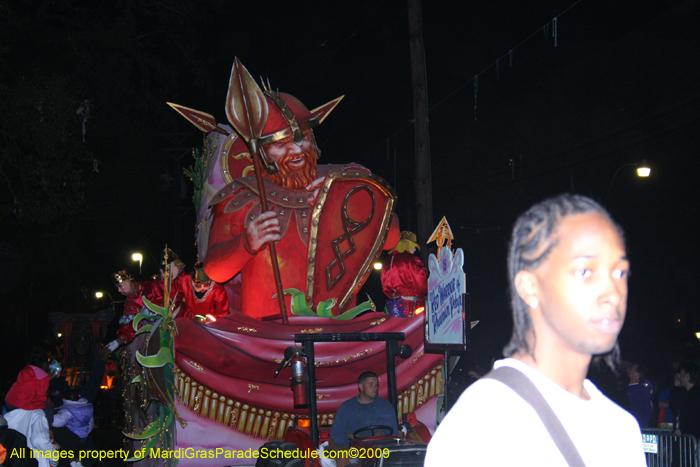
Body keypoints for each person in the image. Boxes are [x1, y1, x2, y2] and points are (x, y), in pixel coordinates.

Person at [425, 194, 646, 466]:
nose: (611, 292)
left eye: (619, 272)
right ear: (531, 287)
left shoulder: (620, 427)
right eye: (585, 271)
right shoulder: (486, 419)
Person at [203, 62, 399, 320]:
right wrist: (246, 243)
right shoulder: (241, 195)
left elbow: (391, 237)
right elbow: (215, 271)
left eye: (302, 139)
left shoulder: (346, 178)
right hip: (266, 334)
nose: (296, 150)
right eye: (281, 145)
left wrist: (344, 197)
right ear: (263, 152)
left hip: (337, 329)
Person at [330, 372, 398, 449]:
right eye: (371, 384)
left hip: (379, 449)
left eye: (377, 384)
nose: (375, 387)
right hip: (353, 449)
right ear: (361, 387)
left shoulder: (385, 406)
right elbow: (337, 435)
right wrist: (352, 444)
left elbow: (392, 433)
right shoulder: (346, 407)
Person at [105, 270, 163, 351]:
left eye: (120, 286)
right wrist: (117, 342)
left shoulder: (152, 286)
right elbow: (129, 325)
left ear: (129, 281)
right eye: (117, 287)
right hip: (150, 333)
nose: (119, 290)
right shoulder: (130, 303)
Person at [380, 231, 428, 318]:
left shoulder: (387, 262)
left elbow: (385, 286)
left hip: (393, 306)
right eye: (413, 247)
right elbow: (421, 281)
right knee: (414, 330)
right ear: (408, 245)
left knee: (396, 328)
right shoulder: (410, 260)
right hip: (411, 306)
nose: (414, 250)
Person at [673, 361, 700, 438]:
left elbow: (693, 417)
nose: (680, 377)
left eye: (681, 374)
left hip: (693, 439)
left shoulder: (695, 395)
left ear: (687, 376)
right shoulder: (687, 393)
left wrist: (683, 430)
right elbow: (673, 405)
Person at [627, 363, 653, 428]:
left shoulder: (641, 389)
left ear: (637, 374)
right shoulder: (628, 387)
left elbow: (646, 409)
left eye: (631, 369)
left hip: (637, 426)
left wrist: (640, 425)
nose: (628, 370)